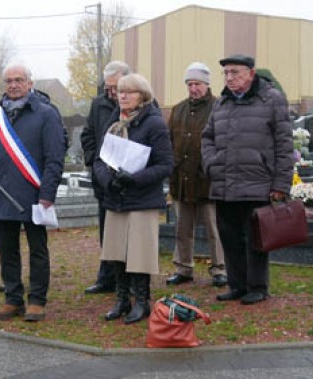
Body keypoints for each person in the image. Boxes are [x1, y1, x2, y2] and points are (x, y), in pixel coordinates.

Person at [202, 54, 293, 305]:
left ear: (251, 73)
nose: (229, 78)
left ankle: (257, 287)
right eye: (226, 73)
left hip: (258, 183)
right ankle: (237, 285)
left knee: (256, 239)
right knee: (229, 237)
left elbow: (284, 144)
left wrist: (280, 184)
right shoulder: (221, 103)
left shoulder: (272, 99)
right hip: (224, 183)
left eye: (235, 73)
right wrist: (211, 163)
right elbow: (207, 137)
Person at [0, 62, 66, 322]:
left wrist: (47, 194)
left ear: (30, 83)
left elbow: (54, 158)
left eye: (19, 80)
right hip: (2, 193)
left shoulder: (46, 114)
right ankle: (12, 298)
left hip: (35, 193)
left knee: (38, 249)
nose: (13, 85)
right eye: (8, 81)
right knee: (7, 250)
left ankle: (37, 300)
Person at [93, 73, 173, 324]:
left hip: (142, 198)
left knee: (139, 253)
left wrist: (134, 178)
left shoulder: (154, 124)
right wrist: (107, 180)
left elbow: (165, 164)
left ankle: (141, 301)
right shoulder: (113, 122)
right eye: (120, 92)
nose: (123, 96)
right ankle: (121, 299)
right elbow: (99, 158)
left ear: (143, 96)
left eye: (130, 92)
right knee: (116, 250)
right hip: (115, 197)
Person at [166, 62, 227, 288]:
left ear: (207, 84)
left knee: (214, 228)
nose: (193, 88)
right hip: (181, 180)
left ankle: (219, 268)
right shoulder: (178, 109)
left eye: (197, 84)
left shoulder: (219, 107)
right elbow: (169, 141)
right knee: (183, 228)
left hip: (208, 181)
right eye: (190, 84)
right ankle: (183, 268)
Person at [80, 60, 131, 295]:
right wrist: (94, 160)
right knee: (106, 230)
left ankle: (131, 280)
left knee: (130, 233)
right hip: (103, 179)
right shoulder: (98, 104)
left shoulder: (141, 102)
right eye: (108, 87)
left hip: (130, 180)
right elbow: (88, 134)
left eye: (115, 87)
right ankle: (107, 276)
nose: (111, 92)